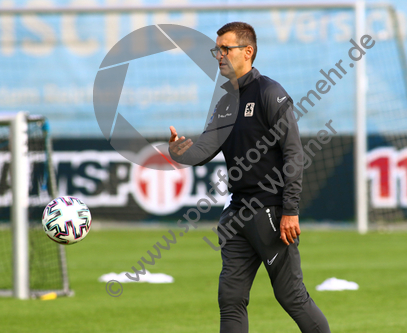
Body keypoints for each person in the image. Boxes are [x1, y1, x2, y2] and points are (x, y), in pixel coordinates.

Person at [168, 22, 330, 333]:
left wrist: (290, 210)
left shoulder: (270, 92)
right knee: (230, 298)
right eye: (217, 49)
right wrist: (179, 152)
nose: (219, 55)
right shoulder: (226, 101)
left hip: (270, 211)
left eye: (225, 48)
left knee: (291, 296)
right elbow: (202, 150)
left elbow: (294, 154)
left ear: (248, 51)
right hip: (237, 214)